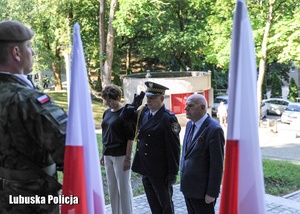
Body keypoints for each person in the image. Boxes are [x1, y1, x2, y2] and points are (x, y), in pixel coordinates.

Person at [0, 20, 67, 213]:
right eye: (29, 46)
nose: (34, 52)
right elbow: (70, 152)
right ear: (16, 53)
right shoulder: (29, 100)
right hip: (32, 203)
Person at [120, 81, 181, 214]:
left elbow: (174, 149)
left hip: (161, 170)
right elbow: (124, 118)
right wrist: (133, 105)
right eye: (148, 97)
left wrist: (172, 172)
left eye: (152, 98)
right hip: (146, 167)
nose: (149, 100)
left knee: (165, 205)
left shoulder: (168, 119)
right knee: (153, 204)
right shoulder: (144, 112)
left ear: (161, 99)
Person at [180, 94, 224, 214]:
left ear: (202, 107)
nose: (185, 109)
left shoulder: (214, 130)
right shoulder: (190, 124)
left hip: (202, 192)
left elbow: (217, 165)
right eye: (186, 105)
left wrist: (212, 193)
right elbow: (187, 154)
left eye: (190, 106)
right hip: (188, 188)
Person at [100, 85, 134, 214]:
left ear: (118, 98)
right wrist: (103, 154)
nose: (107, 103)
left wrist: (128, 158)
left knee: (123, 188)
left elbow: (130, 138)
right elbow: (105, 134)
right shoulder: (107, 113)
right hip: (108, 155)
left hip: (121, 156)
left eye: (109, 100)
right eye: (105, 100)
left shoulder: (125, 113)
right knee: (112, 188)